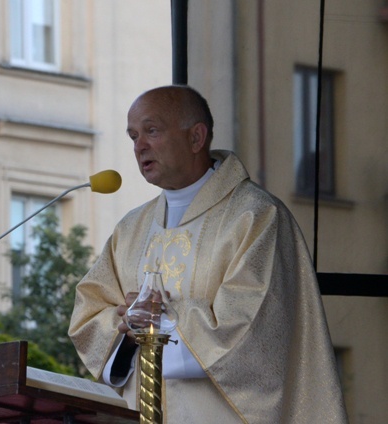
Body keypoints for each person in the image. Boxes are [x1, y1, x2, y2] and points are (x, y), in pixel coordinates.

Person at [68, 85, 348, 423]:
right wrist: (126, 327)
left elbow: (254, 330)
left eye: (151, 131)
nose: (139, 146)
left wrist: (157, 322)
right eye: (133, 136)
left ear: (196, 138)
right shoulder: (131, 229)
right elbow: (91, 312)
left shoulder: (255, 217)